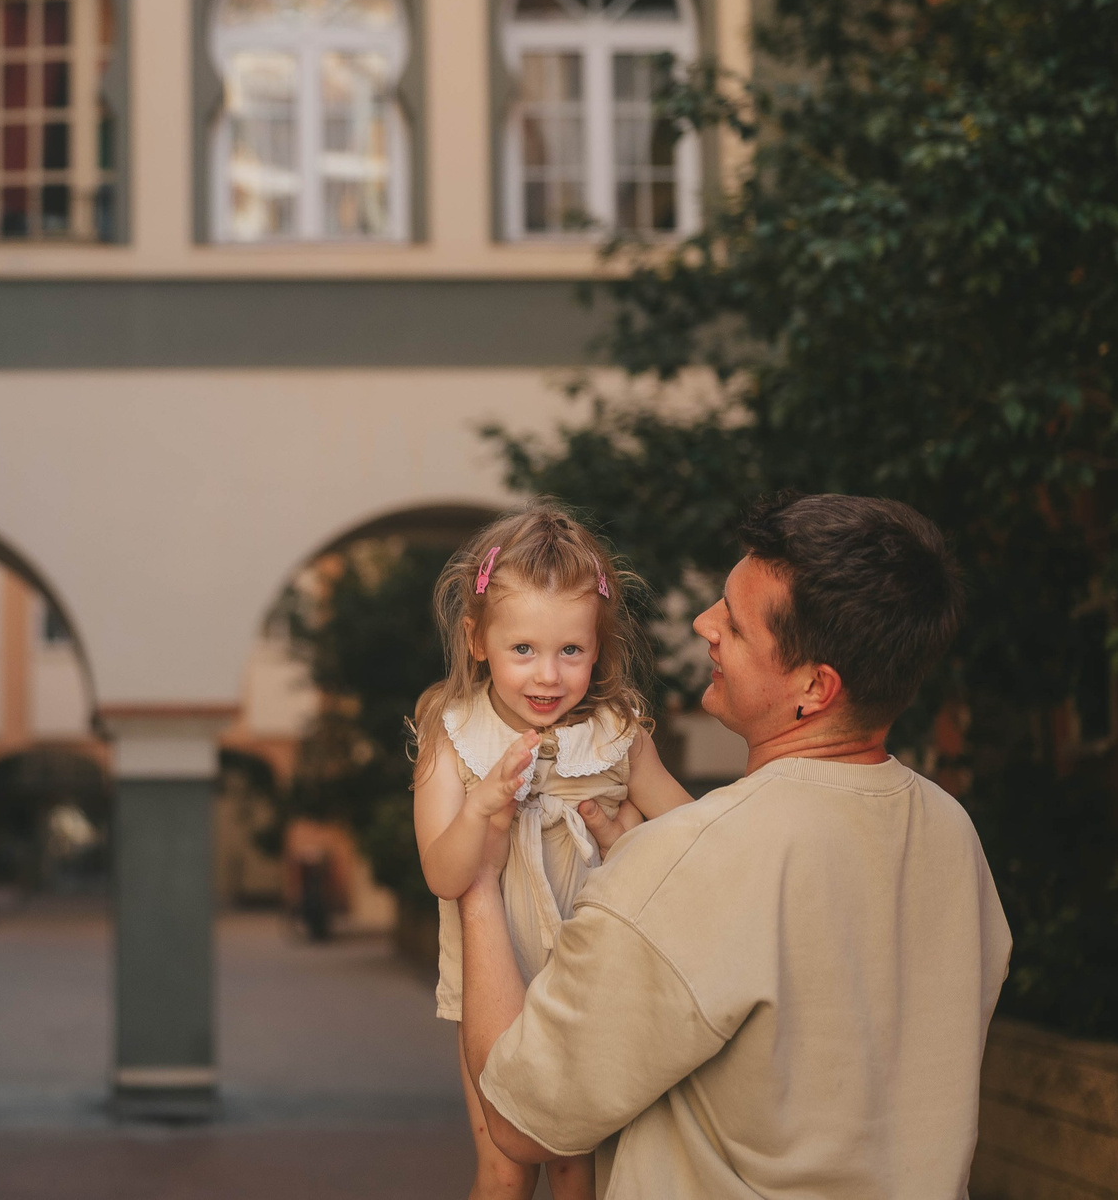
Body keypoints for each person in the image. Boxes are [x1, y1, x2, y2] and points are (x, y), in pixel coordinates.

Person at [456, 493, 1010, 1199]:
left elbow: (518, 1120)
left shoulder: (694, 862)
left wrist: (478, 885)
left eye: (736, 625)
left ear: (816, 687)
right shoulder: (951, 832)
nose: (704, 624)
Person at [410, 503, 694, 1200]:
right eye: (523, 649)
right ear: (477, 639)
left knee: (582, 1170)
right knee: (505, 1169)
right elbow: (443, 875)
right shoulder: (453, 735)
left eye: (571, 649)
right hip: (492, 991)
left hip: (592, 989)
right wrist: (480, 808)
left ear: (598, 645)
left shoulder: (617, 734)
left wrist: (636, 840)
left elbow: (694, 838)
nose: (547, 675)